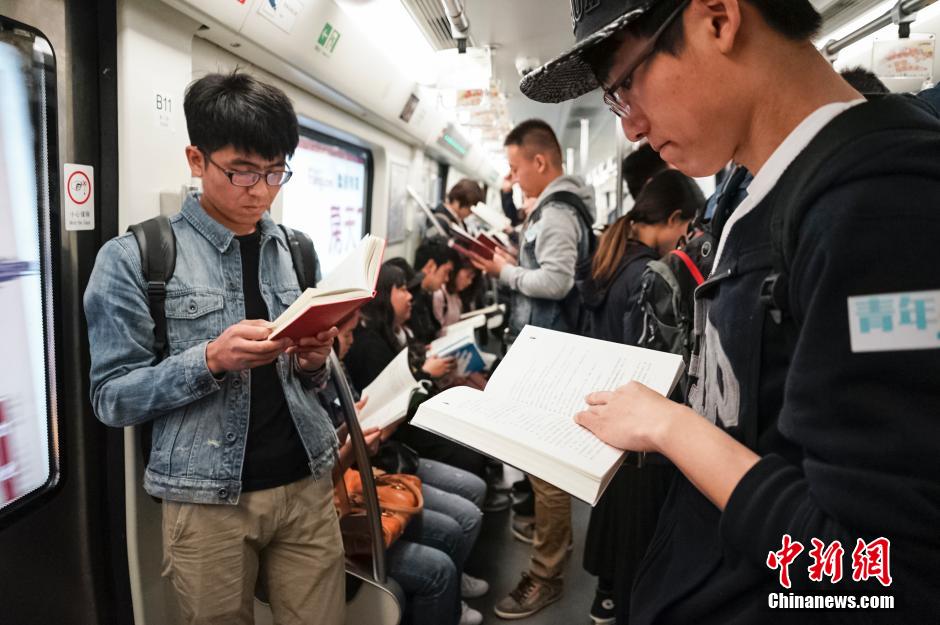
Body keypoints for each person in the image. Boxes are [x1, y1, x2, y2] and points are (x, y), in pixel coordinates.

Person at [522, 0, 940, 623]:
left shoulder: (884, 216)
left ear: (718, 17)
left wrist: (673, 428)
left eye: (627, 83)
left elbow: (882, 578)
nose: (631, 126)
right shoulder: (751, 191)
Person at [85, 71, 345, 624]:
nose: (261, 190)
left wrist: (314, 360)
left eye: (276, 172)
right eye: (242, 171)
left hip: (306, 482)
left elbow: (310, 381)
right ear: (196, 159)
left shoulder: (294, 250)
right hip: (207, 501)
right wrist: (208, 360)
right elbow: (111, 398)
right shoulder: (135, 258)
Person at [469, 119, 596, 619]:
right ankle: (547, 539)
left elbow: (558, 282)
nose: (514, 177)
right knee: (541, 464)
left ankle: (547, 573)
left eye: (517, 167)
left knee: (547, 469)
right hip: (543, 346)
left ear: (540, 163)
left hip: (553, 353)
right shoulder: (550, 210)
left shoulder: (559, 213)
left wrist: (505, 271)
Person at [579, 169, 703, 625]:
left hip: (605, 406)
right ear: (673, 219)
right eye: (685, 229)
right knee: (637, 535)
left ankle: (605, 597)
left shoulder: (608, 258)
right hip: (634, 424)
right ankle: (622, 602)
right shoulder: (650, 275)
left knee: (614, 511)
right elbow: (657, 365)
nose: (684, 241)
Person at [326, 312, 488, 625]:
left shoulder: (338, 370)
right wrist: (356, 440)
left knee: (464, 510)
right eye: (345, 335)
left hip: (374, 464)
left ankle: (451, 593)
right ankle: (447, 595)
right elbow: (328, 471)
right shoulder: (336, 369)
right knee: (441, 561)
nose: (350, 340)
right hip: (356, 484)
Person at [345, 262, 510, 513]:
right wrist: (426, 374)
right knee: (464, 451)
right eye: (401, 289)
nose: (410, 296)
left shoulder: (395, 331)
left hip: (416, 415)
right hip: (400, 430)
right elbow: (390, 403)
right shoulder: (370, 345)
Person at [409, 241, 458, 345]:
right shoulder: (411, 302)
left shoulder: (425, 295)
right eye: (446, 272)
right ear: (431, 266)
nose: (447, 279)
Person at [433, 256, 480, 328]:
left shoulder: (458, 296)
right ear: (456, 272)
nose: (470, 282)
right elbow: (437, 329)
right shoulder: (440, 294)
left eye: (472, 279)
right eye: (468, 276)